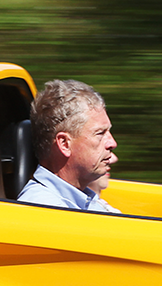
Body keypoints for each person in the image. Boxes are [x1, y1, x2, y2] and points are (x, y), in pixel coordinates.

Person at [17, 79, 120, 213]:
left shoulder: (87, 200)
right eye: (100, 133)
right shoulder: (43, 210)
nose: (112, 143)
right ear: (64, 144)